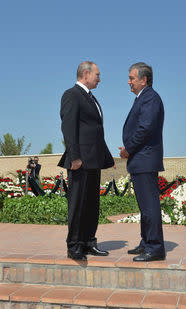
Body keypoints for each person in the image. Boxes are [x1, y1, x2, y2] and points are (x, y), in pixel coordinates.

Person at [58, 61, 115, 261]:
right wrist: (74, 157)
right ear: (86, 74)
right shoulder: (72, 95)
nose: (99, 79)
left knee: (92, 204)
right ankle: (74, 245)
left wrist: (106, 157)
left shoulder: (92, 98)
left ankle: (89, 242)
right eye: (97, 75)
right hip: (80, 161)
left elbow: (96, 132)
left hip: (94, 161)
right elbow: (68, 128)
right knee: (77, 204)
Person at [119, 62, 166, 262]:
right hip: (141, 160)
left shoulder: (150, 98)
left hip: (145, 161)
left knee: (149, 207)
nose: (128, 82)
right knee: (144, 206)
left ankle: (155, 247)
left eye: (132, 78)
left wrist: (129, 148)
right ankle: (146, 242)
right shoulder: (143, 98)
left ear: (143, 80)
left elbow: (145, 128)